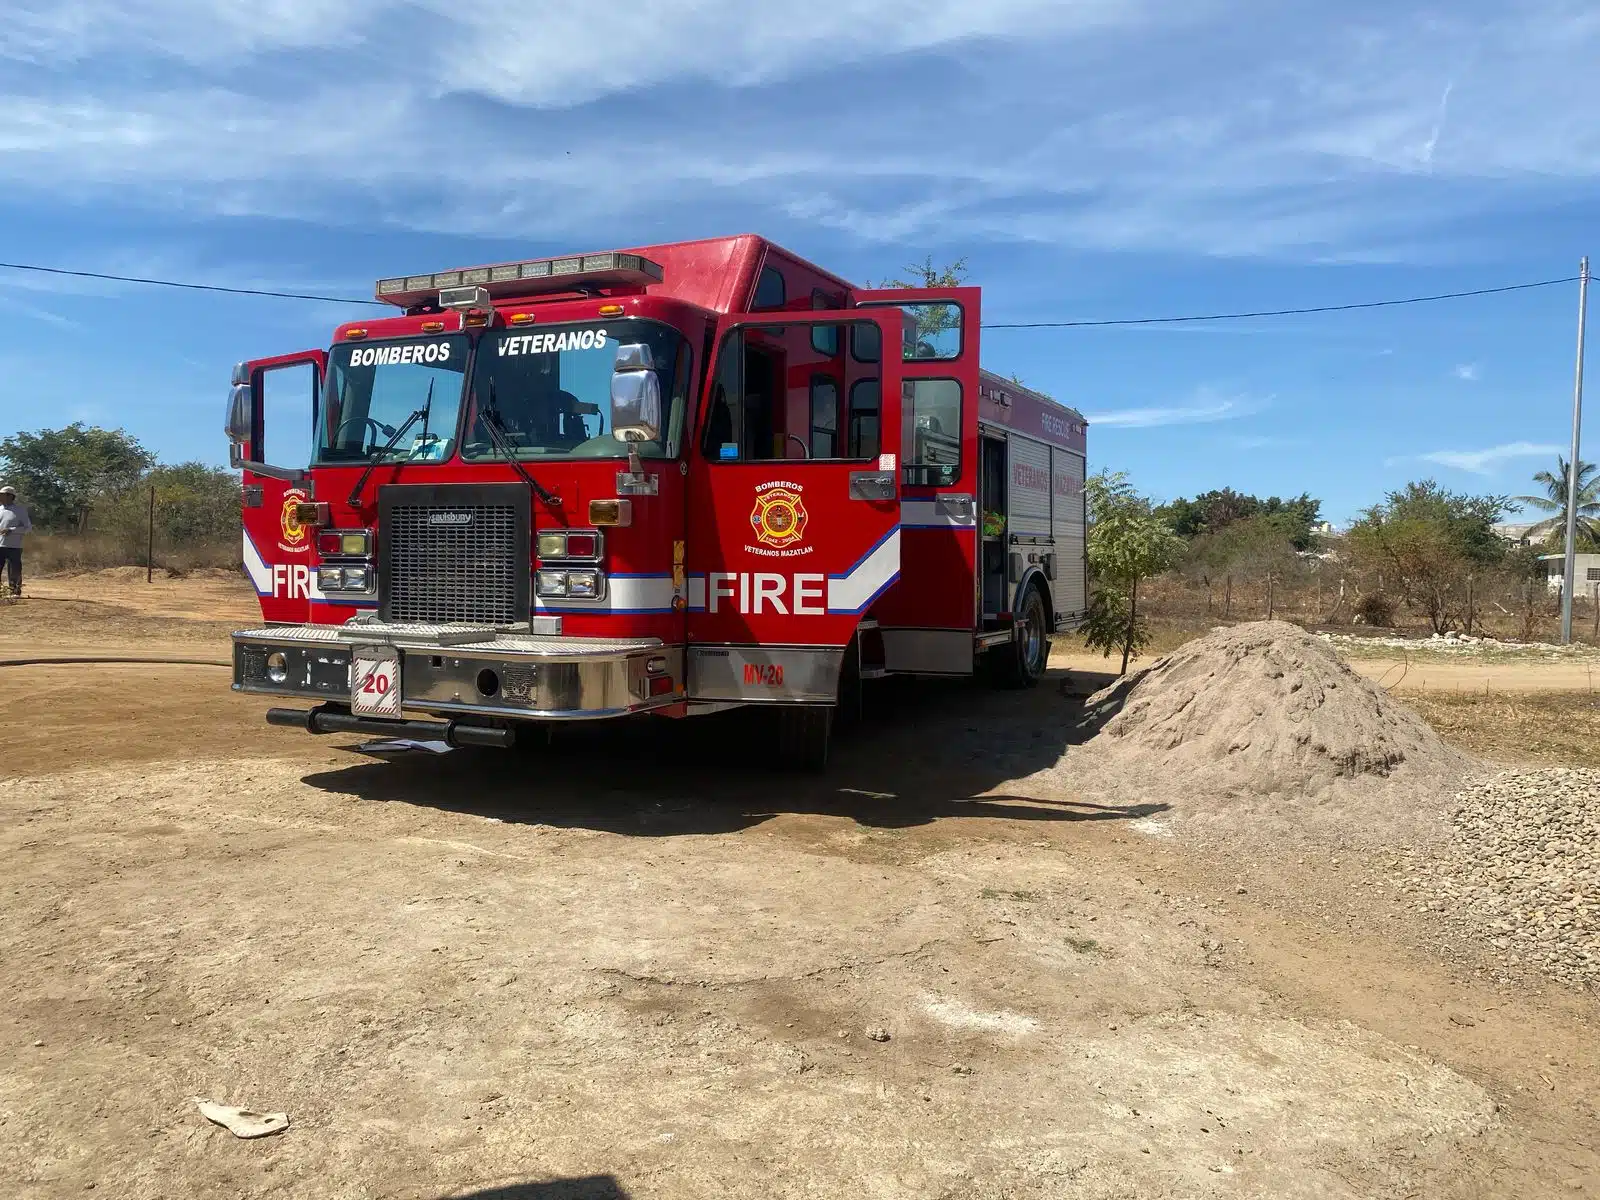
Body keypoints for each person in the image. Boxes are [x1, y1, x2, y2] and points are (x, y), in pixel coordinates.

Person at [0, 485, 33, 597]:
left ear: (10, 496)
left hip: (14, 545)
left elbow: (28, 528)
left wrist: (12, 530)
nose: (0, 497)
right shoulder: (0, 509)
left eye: (2, 495)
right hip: (0, 544)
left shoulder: (20, 511)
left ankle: (14, 591)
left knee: (14, 569)